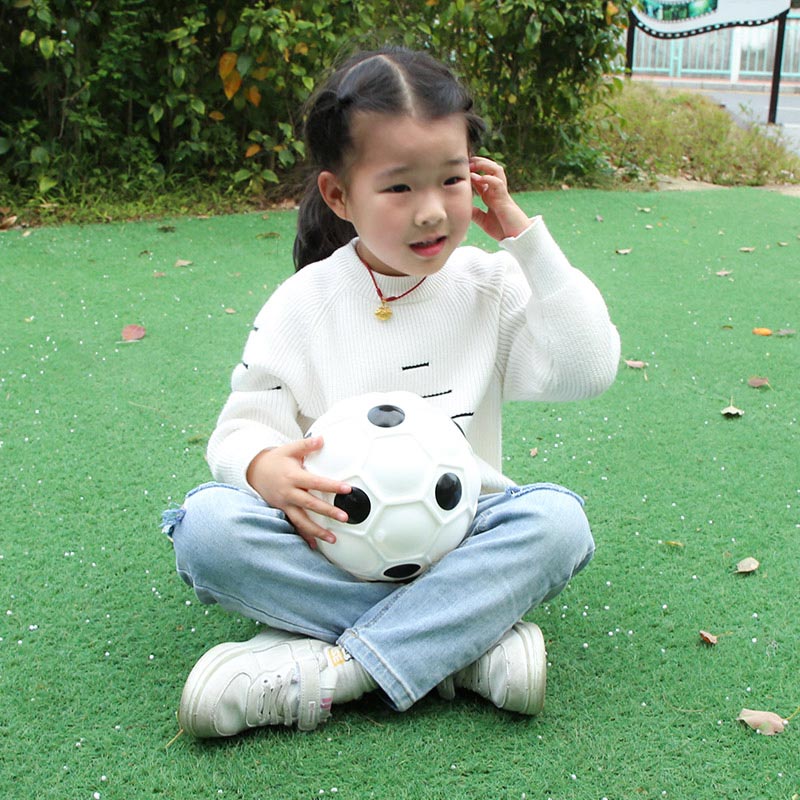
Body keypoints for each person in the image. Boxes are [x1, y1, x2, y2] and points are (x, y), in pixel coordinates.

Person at [161, 46, 621, 738]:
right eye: (400, 187)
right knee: (206, 531)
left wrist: (525, 239)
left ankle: (336, 671)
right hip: (326, 546)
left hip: (462, 540)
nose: (432, 211)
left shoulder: (489, 288)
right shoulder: (305, 302)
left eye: (452, 179)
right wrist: (262, 467)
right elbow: (241, 427)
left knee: (558, 524)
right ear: (339, 195)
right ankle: (463, 646)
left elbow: (589, 368)